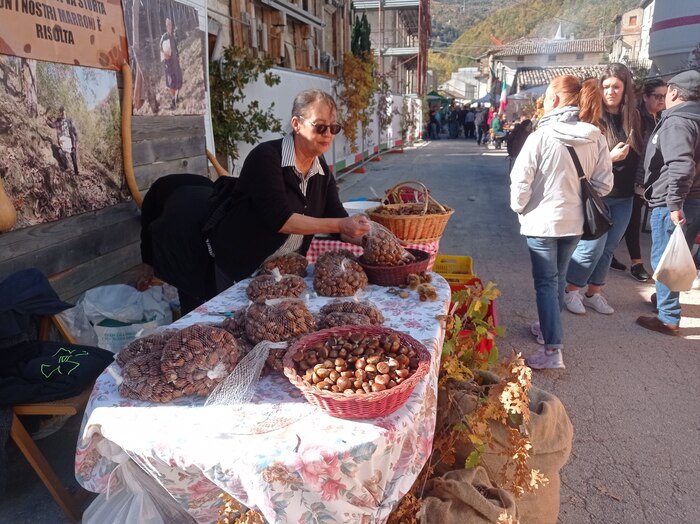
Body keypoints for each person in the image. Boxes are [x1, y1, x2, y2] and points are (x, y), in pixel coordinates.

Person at [139, 89, 370, 313]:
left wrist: (371, 241)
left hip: (279, 270)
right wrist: (340, 225)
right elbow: (281, 219)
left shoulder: (322, 172)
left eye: (333, 128)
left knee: (274, 324)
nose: (328, 134)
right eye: (320, 126)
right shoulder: (267, 157)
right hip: (240, 263)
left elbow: (338, 221)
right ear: (297, 124)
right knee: (227, 322)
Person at [510, 75, 613, 370]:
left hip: (542, 222)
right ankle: (546, 329)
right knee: (556, 277)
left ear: (554, 100)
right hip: (575, 222)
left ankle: (553, 350)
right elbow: (604, 185)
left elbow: (520, 182)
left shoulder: (541, 136)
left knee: (545, 282)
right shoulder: (596, 136)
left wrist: (521, 209)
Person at [564, 63, 642, 315]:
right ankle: (571, 290)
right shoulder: (592, 117)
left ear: (625, 89)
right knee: (591, 246)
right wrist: (609, 157)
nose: (610, 91)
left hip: (625, 194)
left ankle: (594, 292)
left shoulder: (634, 117)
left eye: (616, 87)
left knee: (609, 247)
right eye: (606, 86)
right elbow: (582, 159)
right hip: (598, 193)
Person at [637, 69, 700, 336]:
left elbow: (681, 165)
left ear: (674, 92)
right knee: (678, 254)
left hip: (675, 201)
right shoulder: (694, 117)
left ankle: (668, 317)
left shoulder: (678, 121)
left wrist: (674, 203)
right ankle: (666, 299)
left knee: (665, 256)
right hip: (695, 198)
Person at [611, 78, 668, 281]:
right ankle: (636, 262)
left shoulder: (661, 118)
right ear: (645, 97)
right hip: (631, 176)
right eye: (657, 96)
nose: (662, 101)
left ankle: (608, 254)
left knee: (625, 220)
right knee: (632, 219)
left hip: (648, 178)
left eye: (664, 96)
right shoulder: (638, 118)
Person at [46, 106, 78, 176]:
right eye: (61, 111)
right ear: (60, 113)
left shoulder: (70, 120)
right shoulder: (58, 121)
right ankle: (66, 167)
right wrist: (46, 120)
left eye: (63, 111)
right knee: (60, 152)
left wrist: (74, 145)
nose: (62, 113)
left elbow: (74, 133)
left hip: (70, 141)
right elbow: (53, 125)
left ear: (65, 111)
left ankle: (76, 172)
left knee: (74, 157)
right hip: (63, 141)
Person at [160, 17, 183, 110]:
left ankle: (177, 98)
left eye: (171, 24)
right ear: (166, 26)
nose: (170, 26)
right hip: (169, 63)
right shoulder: (164, 37)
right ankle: (173, 101)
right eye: (168, 24)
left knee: (178, 79)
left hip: (175, 63)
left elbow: (176, 49)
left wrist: (178, 57)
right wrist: (166, 56)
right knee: (171, 82)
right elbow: (161, 50)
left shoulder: (173, 36)